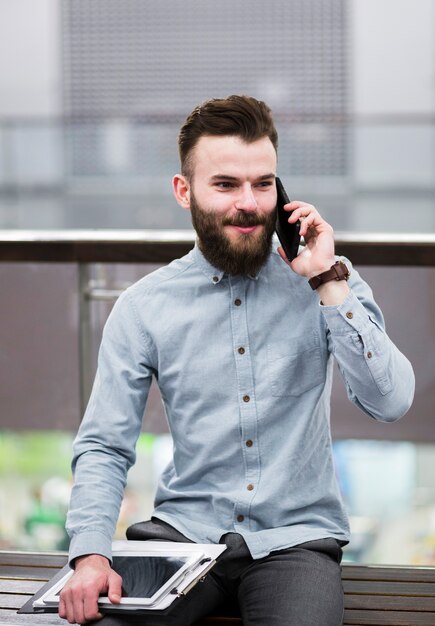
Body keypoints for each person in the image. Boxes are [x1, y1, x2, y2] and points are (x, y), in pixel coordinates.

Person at [59, 95, 415, 626]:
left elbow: (392, 402)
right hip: (182, 535)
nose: (248, 203)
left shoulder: (327, 281)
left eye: (263, 183)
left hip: (294, 543)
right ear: (185, 192)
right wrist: (90, 554)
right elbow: (105, 445)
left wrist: (324, 279)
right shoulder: (143, 307)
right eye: (225, 184)